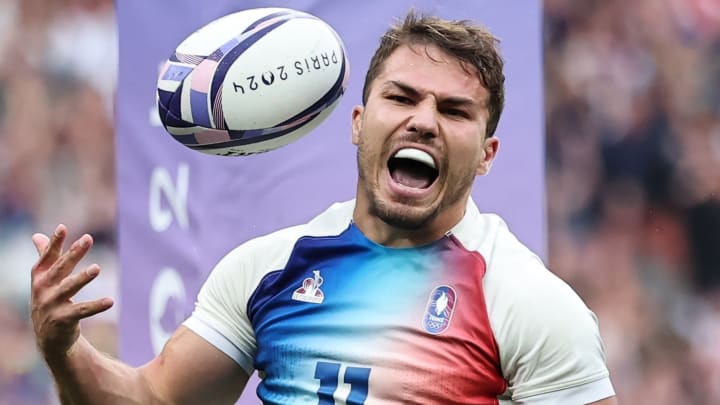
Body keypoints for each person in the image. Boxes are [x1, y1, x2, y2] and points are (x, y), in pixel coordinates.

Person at [30, 10, 617, 405]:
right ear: (359, 124)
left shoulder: (527, 303)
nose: (424, 120)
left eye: (455, 111)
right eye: (402, 97)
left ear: (487, 155)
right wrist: (64, 351)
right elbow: (153, 398)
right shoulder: (267, 267)